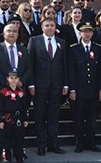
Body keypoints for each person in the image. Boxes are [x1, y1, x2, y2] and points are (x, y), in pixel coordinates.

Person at [0, 24, 30, 162]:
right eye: (9, 31)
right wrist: (8, 82)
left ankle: (17, 152)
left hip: (19, 93)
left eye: (15, 31)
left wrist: (20, 81)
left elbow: (29, 68)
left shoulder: (23, 49)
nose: (12, 33)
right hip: (0, 92)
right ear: (3, 34)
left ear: (18, 34)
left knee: (18, 124)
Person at [27, 18, 69, 155]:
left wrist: (66, 84)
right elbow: (30, 64)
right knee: (39, 115)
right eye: (47, 25)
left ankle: (53, 144)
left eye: (52, 25)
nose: (50, 28)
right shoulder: (34, 41)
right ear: (42, 27)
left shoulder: (61, 42)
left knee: (54, 116)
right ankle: (41, 145)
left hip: (57, 85)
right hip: (39, 85)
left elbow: (64, 65)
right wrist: (31, 83)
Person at [68, 21, 101, 152]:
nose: (87, 34)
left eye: (89, 31)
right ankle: (80, 143)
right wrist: (72, 89)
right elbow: (70, 71)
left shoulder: (98, 48)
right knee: (78, 118)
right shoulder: (73, 49)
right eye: (84, 31)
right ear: (80, 33)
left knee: (92, 119)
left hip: (94, 90)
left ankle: (91, 143)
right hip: (79, 90)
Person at [0, 70, 29, 163]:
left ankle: (19, 158)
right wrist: (0, 120)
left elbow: (25, 107)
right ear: (7, 79)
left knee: (19, 139)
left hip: (19, 118)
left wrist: (26, 119)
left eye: (15, 78)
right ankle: (7, 158)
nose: (13, 80)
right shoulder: (3, 92)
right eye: (11, 78)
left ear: (18, 79)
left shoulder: (21, 93)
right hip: (7, 119)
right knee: (7, 140)